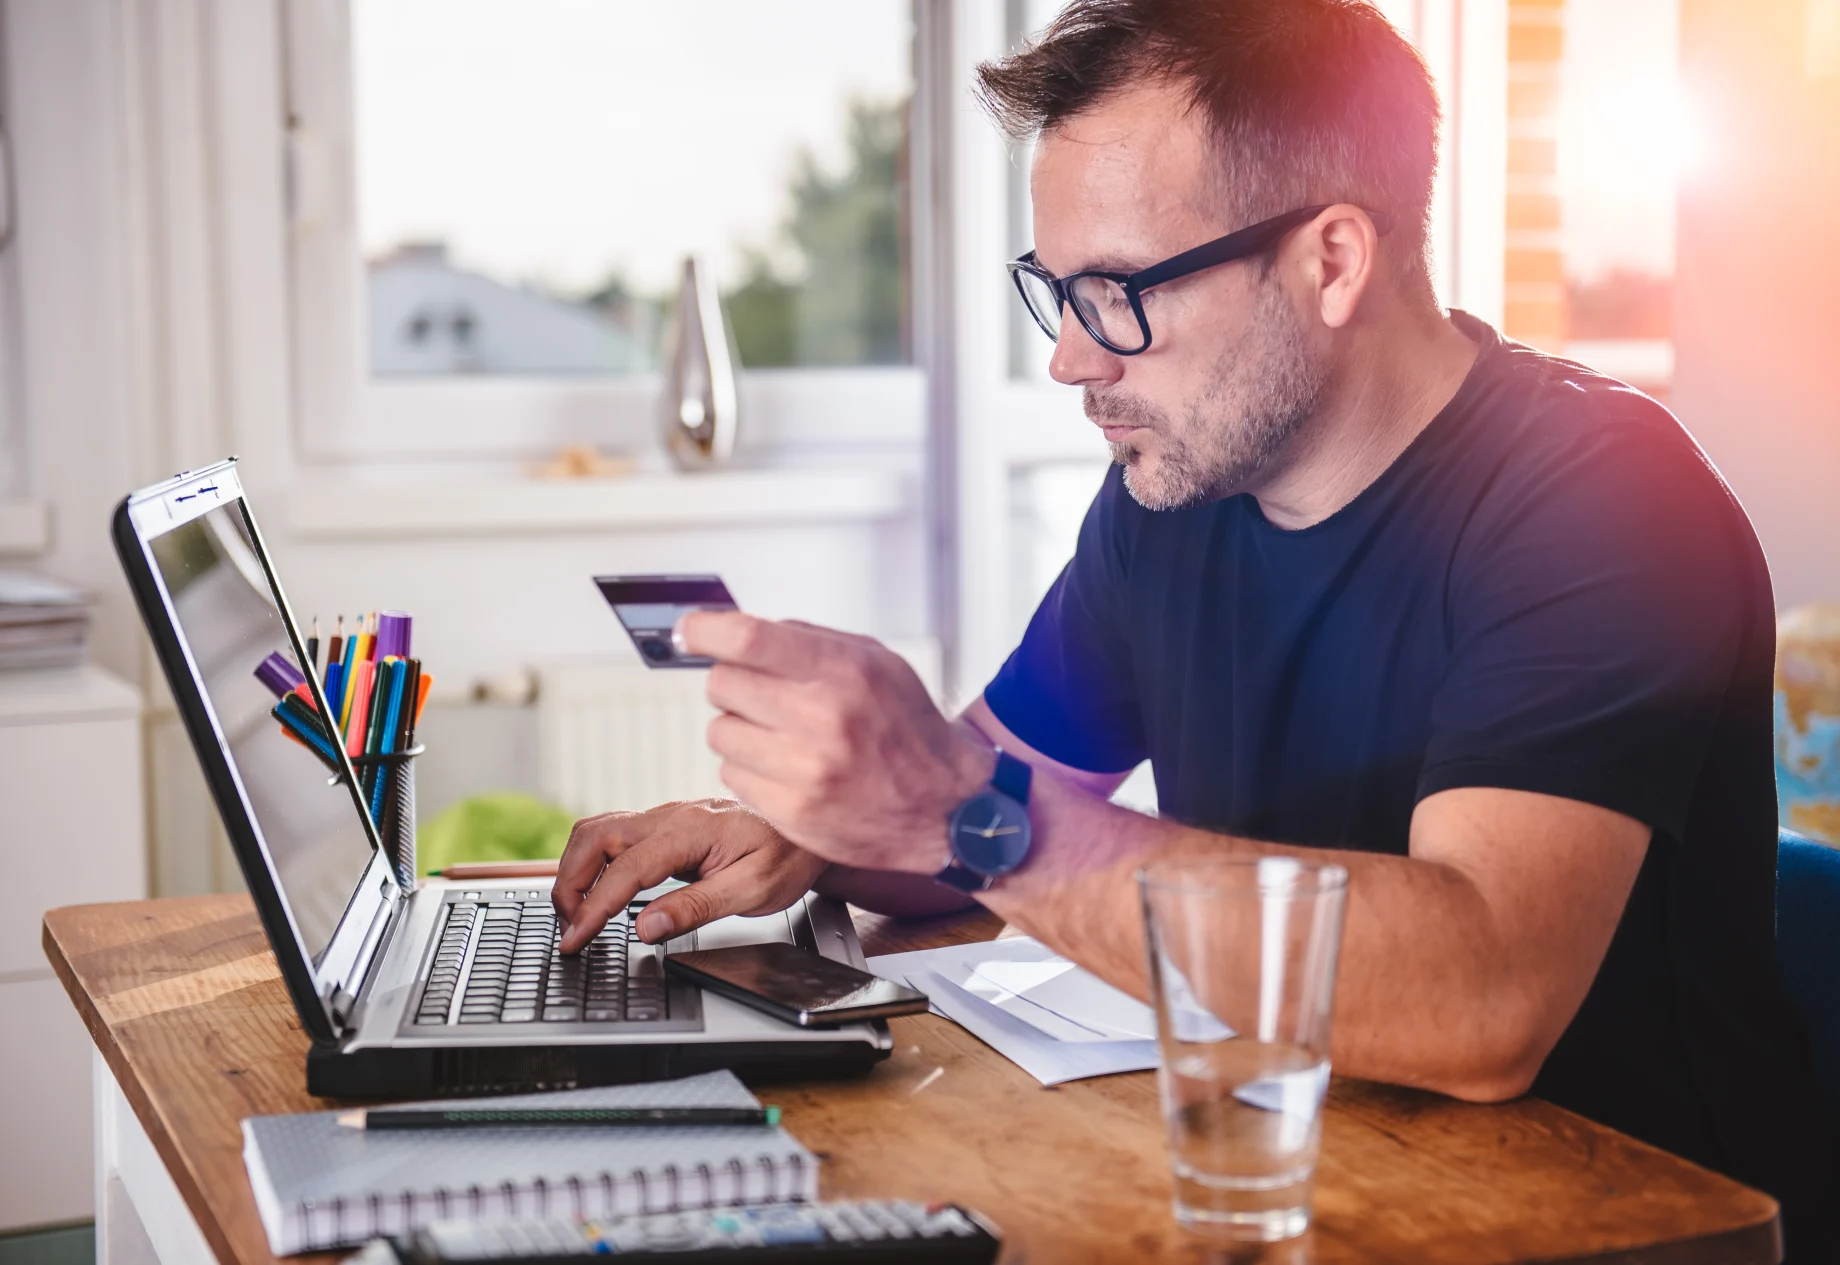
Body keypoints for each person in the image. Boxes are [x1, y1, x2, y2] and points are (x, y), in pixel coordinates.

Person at [554, 0, 1834, 1251]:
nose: (1071, 359)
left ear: (1330, 259)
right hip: (1308, 1179)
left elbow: (1482, 998)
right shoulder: (1169, 502)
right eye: (1052, 292)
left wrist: (950, 805)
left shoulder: (1601, 502)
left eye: (1115, 291)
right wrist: (820, 822)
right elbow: (1005, 793)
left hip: (1611, 1217)